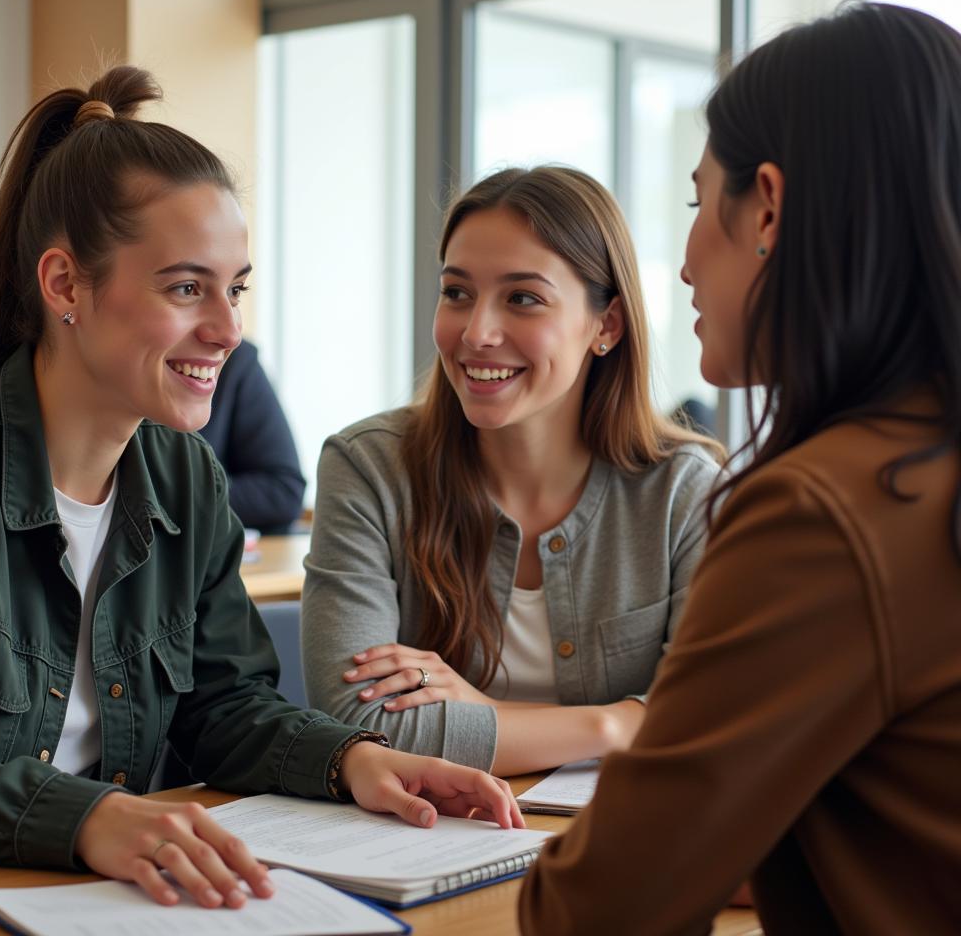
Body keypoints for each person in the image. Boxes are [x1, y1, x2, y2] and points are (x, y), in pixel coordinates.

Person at [0, 66, 522, 910]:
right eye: (186, 288)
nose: (228, 330)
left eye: (235, 288)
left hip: (101, 902)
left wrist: (352, 759)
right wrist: (95, 818)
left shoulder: (187, 476)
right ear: (66, 284)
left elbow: (223, 704)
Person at [519, 1, 961, 935]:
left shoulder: (825, 512)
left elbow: (594, 912)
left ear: (767, 206)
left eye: (694, 202)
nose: (679, 265)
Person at [301, 166, 723, 775]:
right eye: (457, 293)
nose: (477, 332)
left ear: (605, 325)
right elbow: (357, 719)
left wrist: (485, 710)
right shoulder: (369, 467)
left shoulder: (684, 491)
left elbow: (713, 714)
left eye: (523, 298)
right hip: (430, 846)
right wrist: (627, 721)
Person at [199, 337, 306, 533]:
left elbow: (284, 492)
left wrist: (178, 498)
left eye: (234, 304)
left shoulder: (234, 360)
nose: (230, 332)